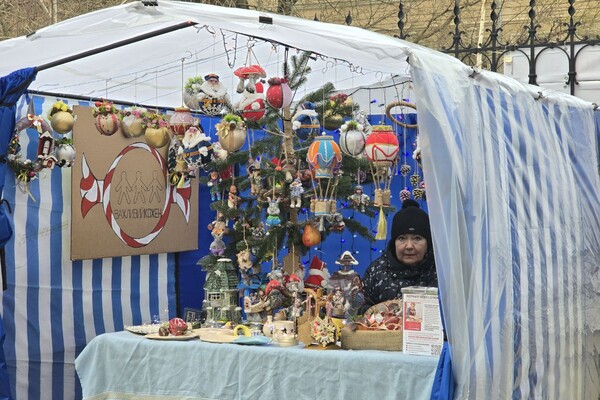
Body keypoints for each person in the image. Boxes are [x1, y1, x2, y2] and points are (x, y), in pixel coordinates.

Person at [361, 199, 437, 311]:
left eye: (417, 238)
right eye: (402, 238)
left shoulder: (439, 272)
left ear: (428, 243)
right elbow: (361, 308)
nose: (409, 246)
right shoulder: (377, 271)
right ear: (394, 243)